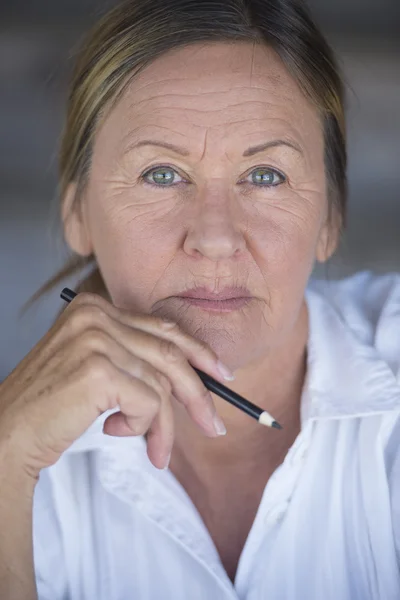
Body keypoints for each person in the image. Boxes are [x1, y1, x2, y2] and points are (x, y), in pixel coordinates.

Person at [0, 0, 399, 598]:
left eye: (265, 175)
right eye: (162, 173)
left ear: (329, 219)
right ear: (78, 212)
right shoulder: (22, 449)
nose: (214, 238)